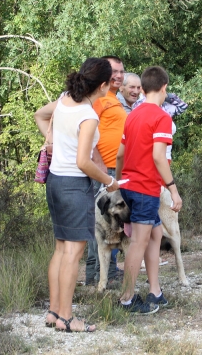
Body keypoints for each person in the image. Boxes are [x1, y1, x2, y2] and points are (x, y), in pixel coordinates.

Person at [34, 58, 119, 332]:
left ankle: (54, 312)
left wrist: (54, 143)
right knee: (73, 252)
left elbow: (39, 114)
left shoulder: (63, 101)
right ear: (103, 85)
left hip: (55, 182)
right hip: (74, 185)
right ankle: (67, 318)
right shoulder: (88, 114)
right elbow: (83, 161)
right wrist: (108, 181)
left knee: (61, 249)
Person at [115, 66, 182, 314]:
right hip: (145, 187)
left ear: (142, 89)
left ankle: (155, 291)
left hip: (131, 186)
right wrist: (173, 190)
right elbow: (158, 157)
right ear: (164, 87)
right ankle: (127, 299)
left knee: (155, 235)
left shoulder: (133, 114)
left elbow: (120, 153)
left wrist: (120, 182)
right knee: (139, 241)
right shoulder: (161, 117)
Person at [85, 56, 127, 287]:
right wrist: (99, 164)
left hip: (115, 169)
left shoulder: (114, 99)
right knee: (100, 222)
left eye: (121, 71)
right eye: (113, 71)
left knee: (113, 222)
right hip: (103, 169)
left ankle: (109, 271)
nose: (118, 76)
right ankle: (94, 275)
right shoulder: (99, 99)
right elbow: (89, 132)